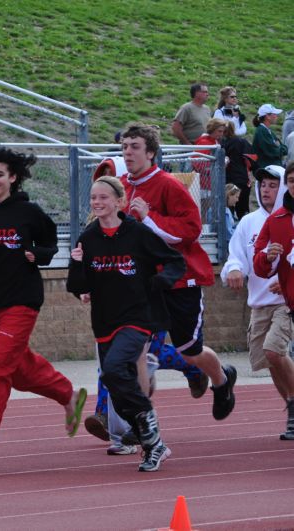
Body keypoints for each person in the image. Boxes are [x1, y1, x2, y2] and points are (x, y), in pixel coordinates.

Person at [0, 147, 87, 468]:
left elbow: (51, 241)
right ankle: (68, 395)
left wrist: (39, 254)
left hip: (23, 301)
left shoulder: (29, 212)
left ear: (13, 177)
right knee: (18, 371)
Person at [119, 123, 237, 421]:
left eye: (135, 147)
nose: (128, 152)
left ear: (151, 153)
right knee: (138, 352)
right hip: (141, 284)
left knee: (189, 351)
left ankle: (222, 380)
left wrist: (148, 217)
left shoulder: (169, 184)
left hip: (179, 280)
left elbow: (191, 230)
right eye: (125, 146)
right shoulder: (121, 185)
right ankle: (143, 423)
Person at [68, 175, 185, 471]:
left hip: (137, 317)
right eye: (93, 198)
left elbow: (174, 261)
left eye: (104, 197)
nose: (97, 203)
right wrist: (78, 265)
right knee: (116, 386)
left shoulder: (137, 233)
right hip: (104, 320)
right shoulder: (89, 237)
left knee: (114, 369)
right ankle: (154, 443)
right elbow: (78, 284)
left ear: (119, 202)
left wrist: (160, 281)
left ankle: (151, 434)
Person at [225, 165, 294, 440]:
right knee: (269, 359)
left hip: (284, 301)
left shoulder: (287, 219)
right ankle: (290, 406)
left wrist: (289, 282)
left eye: (273, 184)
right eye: (263, 184)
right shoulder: (248, 222)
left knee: (275, 350)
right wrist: (233, 269)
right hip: (259, 301)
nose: (266, 189)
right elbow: (236, 255)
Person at [222, 121, 254, 219]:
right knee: (243, 207)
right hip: (242, 178)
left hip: (229, 180)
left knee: (229, 205)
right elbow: (251, 159)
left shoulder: (222, 144)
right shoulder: (242, 142)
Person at [253, 104, 288, 169]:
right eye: (274, 114)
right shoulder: (261, 131)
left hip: (271, 168)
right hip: (266, 170)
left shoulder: (267, 131)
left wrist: (279, 147)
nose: (277, 116)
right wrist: (279, 147)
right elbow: (273, 152)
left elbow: (284, 149)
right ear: (267, 116)